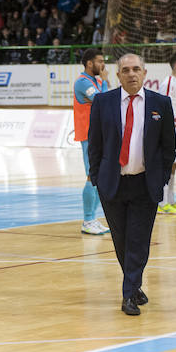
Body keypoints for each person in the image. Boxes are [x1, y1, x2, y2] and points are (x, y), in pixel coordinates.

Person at [88, 53, 174, 316]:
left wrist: (161, 179)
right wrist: (97, 178)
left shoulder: (161, 103)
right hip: (112, 183)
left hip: (144, 183)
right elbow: (95, 143)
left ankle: (128, 295)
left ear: (145, 73)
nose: (131, 74)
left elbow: (168, 146)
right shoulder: (103, 102)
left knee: (138, 240)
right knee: (121, 240)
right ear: (118, 75)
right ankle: (134, 284)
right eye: (126, 70)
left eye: (136, 69)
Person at [73, 48, 110, 235]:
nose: (103, 65)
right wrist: (104, 81)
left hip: (98, 134)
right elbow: (103, 100)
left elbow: (107, 101)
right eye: (99, 61)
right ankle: (87, 220)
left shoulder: (95, 81)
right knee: (91, 175)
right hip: (88, 135)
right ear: (89, 63)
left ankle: (93, 219)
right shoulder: (82, 82)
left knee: (98, 176)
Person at [157, 52, 176, 215]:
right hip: (171, 130)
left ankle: (170, 200)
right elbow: (164, 106)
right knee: (167, 166)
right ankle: (161, 202)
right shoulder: (169, 82)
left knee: (174, 167)